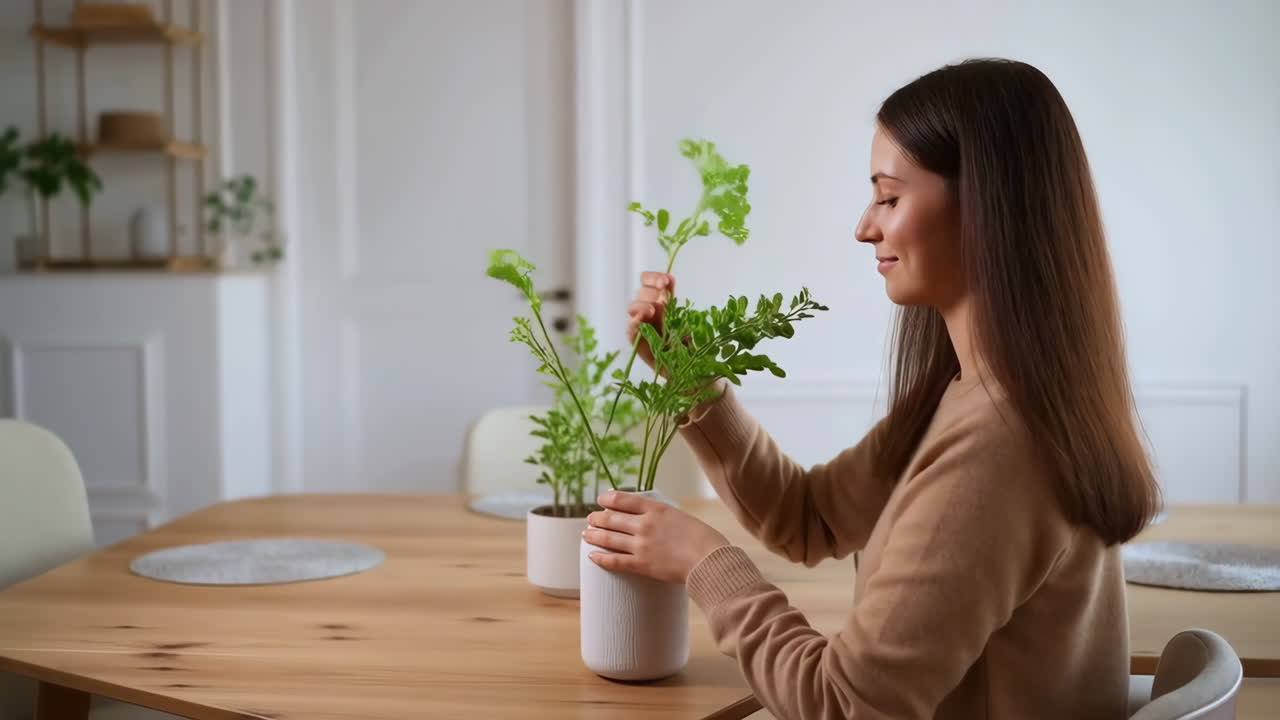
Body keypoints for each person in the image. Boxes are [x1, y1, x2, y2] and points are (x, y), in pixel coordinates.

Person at [583, 57, 1161, 719]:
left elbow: (843, 704)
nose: (865, 226)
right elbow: (811, 517)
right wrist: (690, 374)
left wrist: (705, 561)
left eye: (889, 196)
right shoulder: (973, 395)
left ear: (985, 206)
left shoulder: (999, 447)